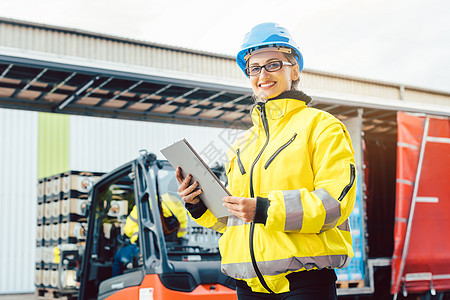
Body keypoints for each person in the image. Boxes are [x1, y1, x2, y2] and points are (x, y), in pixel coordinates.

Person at [176, 22, 356, 300]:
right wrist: (199, 204)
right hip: (249, 287)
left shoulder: (322, 126)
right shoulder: (240, 145)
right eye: (254, 68)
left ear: (294, 70)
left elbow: (334, 203)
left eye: (273, 64)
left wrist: (265, 210)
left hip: (304, 282)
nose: (263, 75)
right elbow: (233, 219)